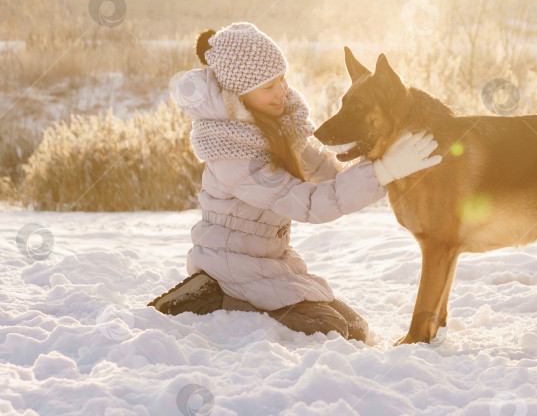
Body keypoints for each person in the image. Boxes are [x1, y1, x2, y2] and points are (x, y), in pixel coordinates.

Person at [148, 22, 442, 343]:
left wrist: (385, 157)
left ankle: (234, 296)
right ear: (239, 94)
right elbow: (313, 204)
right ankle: (214, 296)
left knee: (355, 329)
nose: (282, 91)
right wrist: (383, 172)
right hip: (230, 268)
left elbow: (332, 176)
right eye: (268, 87)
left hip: (269, 262)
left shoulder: (282, 126)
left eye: (282, 79)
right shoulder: (233, 154)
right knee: (330, 331)